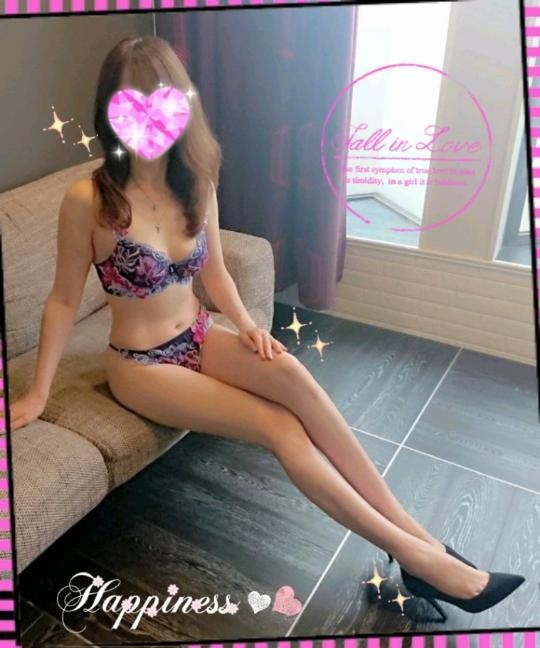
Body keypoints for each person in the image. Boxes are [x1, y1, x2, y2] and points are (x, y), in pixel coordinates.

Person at [9, 35, 524, 621]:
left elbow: (215, 272)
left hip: (197, 334)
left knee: (295, 377)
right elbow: (62, 301)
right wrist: (39, 392)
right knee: (279, 426)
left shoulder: (195, 181)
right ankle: (419, 558)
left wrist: (246, 325)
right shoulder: (89, 199)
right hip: (140, 365)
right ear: (111, 110)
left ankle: (419, 540)